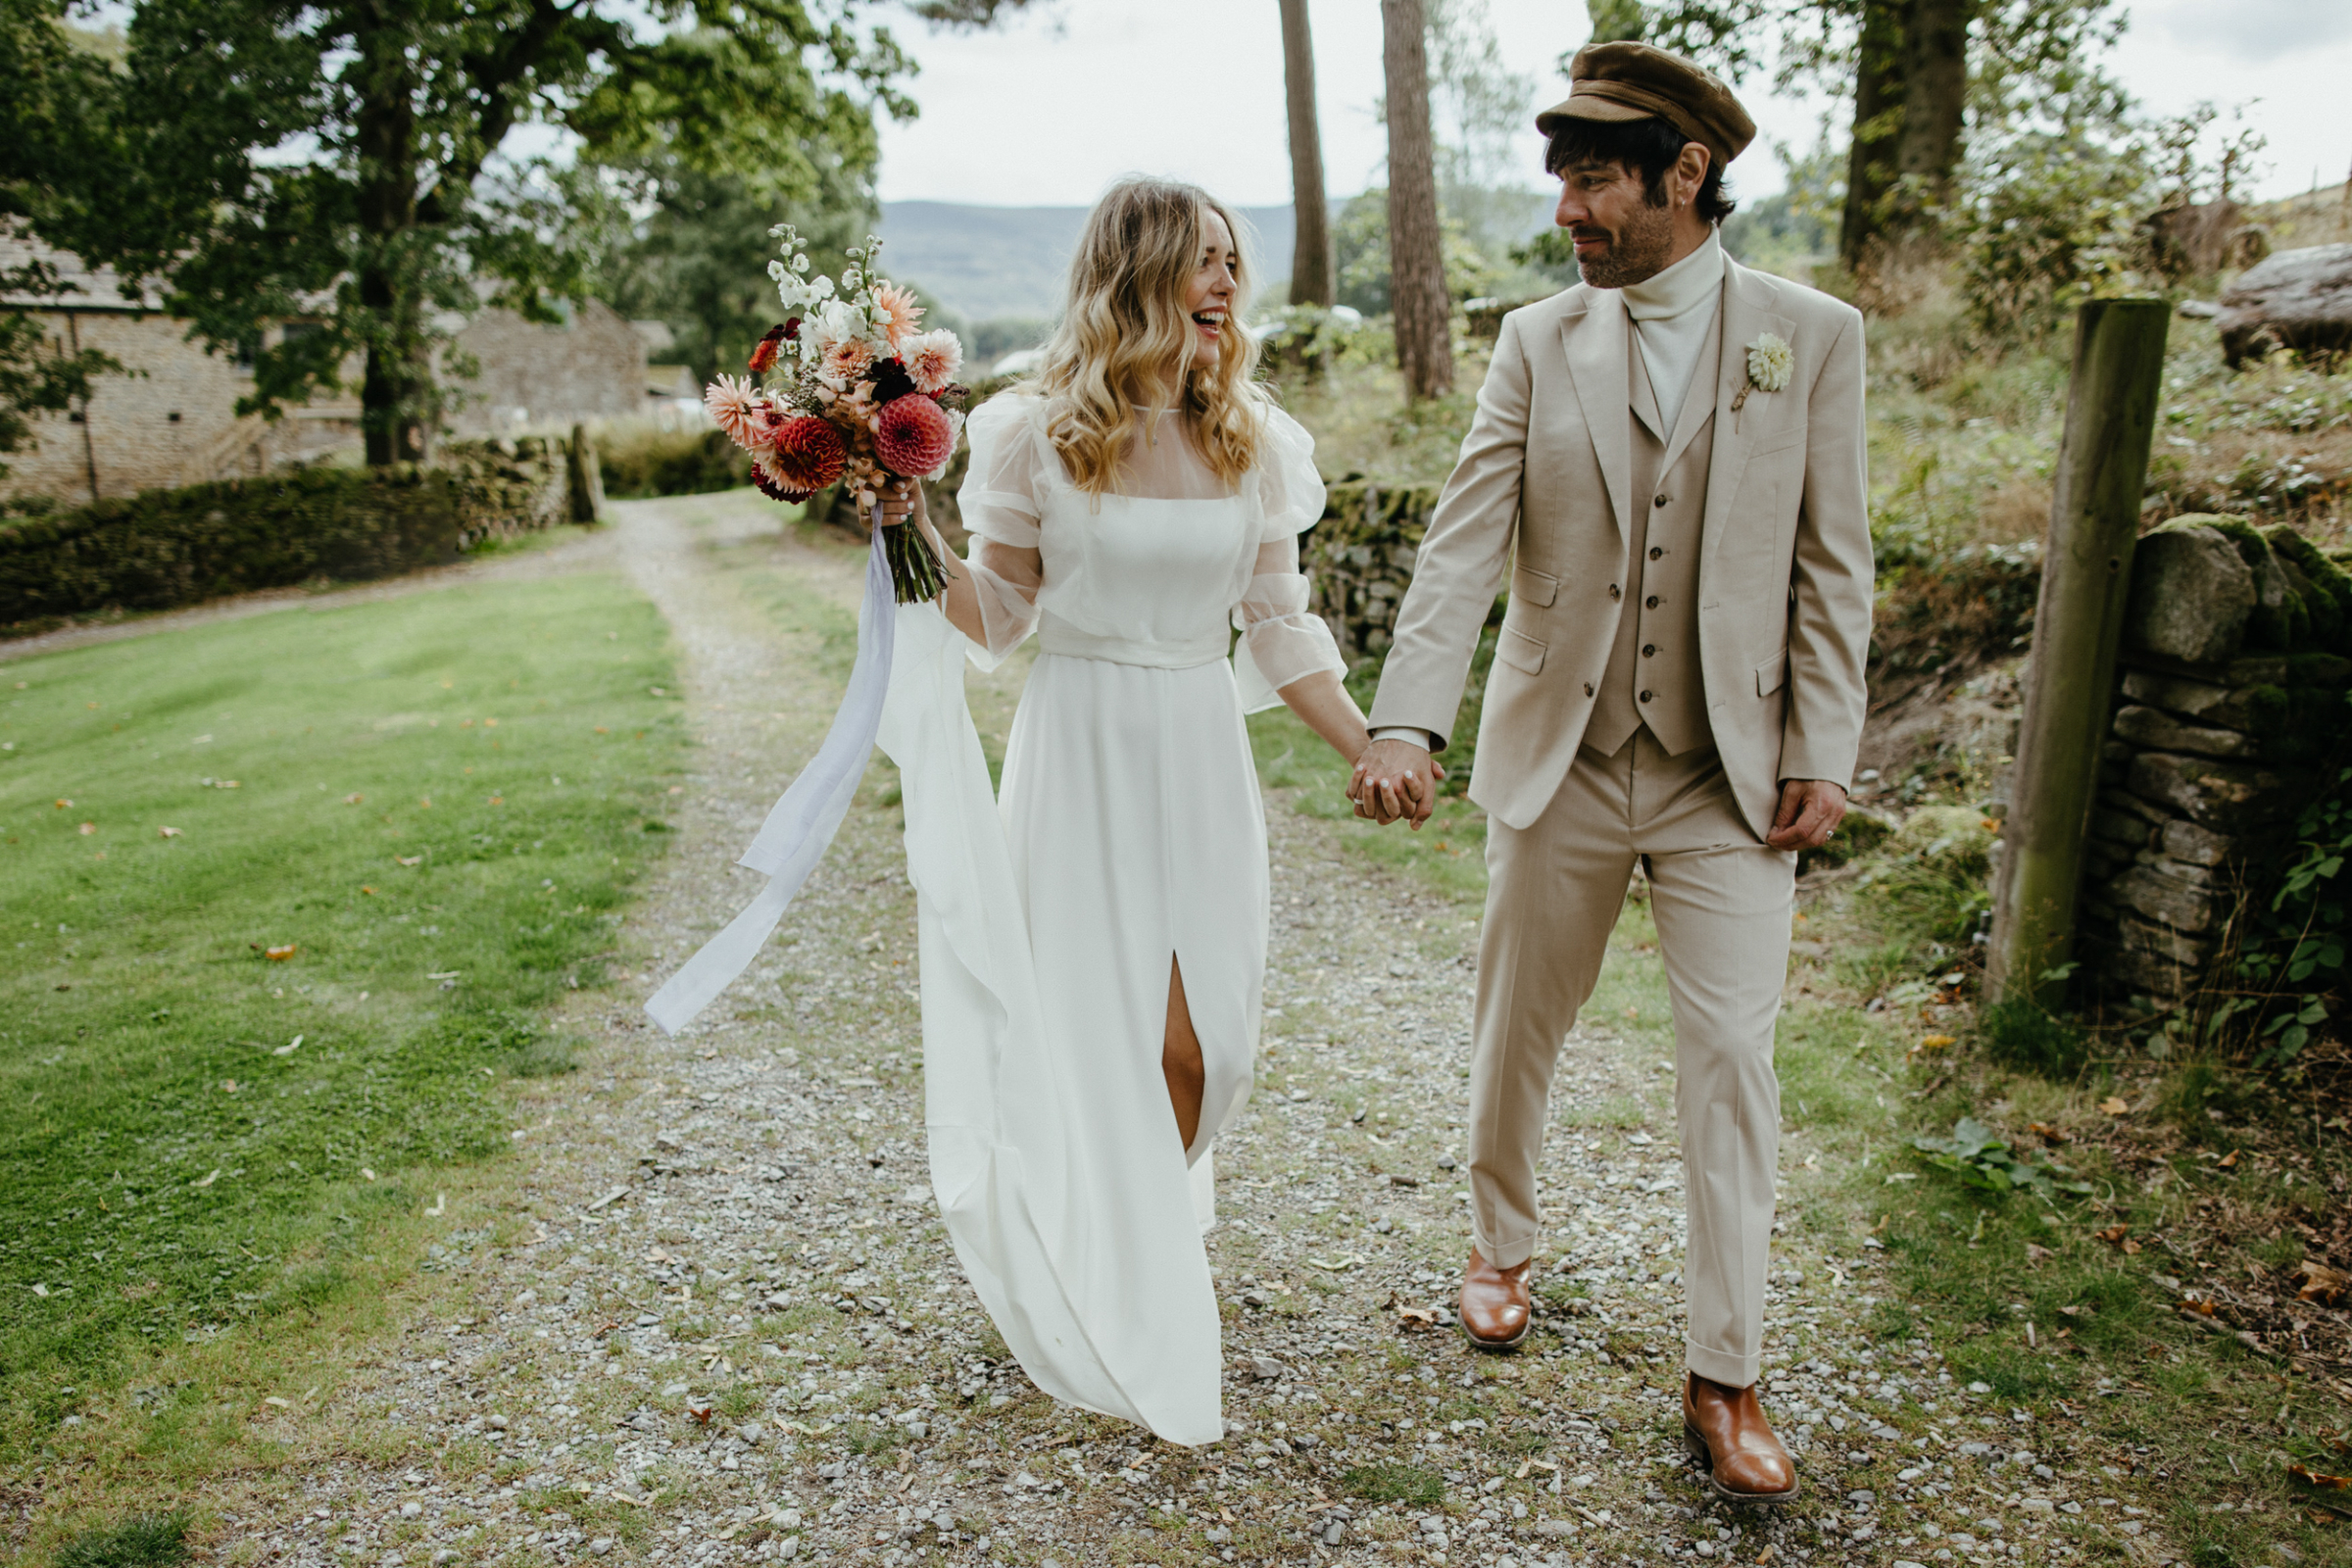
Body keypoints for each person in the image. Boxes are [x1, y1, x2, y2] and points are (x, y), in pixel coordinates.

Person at [1350, 42, 1874, 1502]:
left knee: (1735, 1069)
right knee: (1518, 1027)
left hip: (1730, 776)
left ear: (1685, 177)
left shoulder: (1810, 335)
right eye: (1561, 178)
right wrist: (1410, 718)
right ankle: (1499, 1243)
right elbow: (1463, 546)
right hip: (1563, 756)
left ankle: (1726, 1373)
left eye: (1594, 178)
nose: (1568, 208)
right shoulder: (1536, 341)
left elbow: (1834, 564)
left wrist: (1826, 748)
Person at [872, 177, 1367, 1446]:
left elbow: (1276, 617)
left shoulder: (1252, 435)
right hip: (1079, 743)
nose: (1224, 284)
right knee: (1099, 1033)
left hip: (1197, 746)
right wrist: (907, 535)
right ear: (1135, 273)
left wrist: (1368, 746)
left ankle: (1142, 1213)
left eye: (1231, 261)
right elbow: (1000, 615)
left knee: (1214, 1048)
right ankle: (1126, 1258)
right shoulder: (1039, 431)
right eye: (1201, 261)